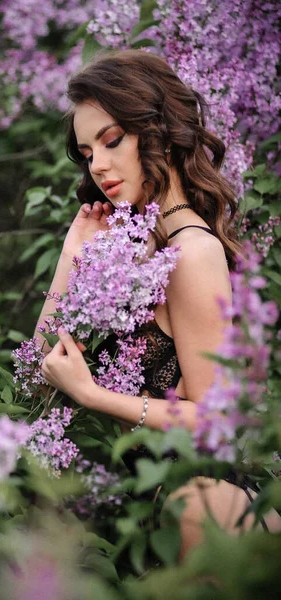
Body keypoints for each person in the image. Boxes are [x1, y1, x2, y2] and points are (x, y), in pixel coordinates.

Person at [35, 50, 280, 559]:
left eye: (112, 140)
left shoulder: (193, 251)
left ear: (159, 133)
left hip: (207, 501)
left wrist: (94, 395)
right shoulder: (141, 255)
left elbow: (217, 421)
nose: (97, 165)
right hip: (167, 508)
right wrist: (72, 251)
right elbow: (42, 367)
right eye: (85, 153)